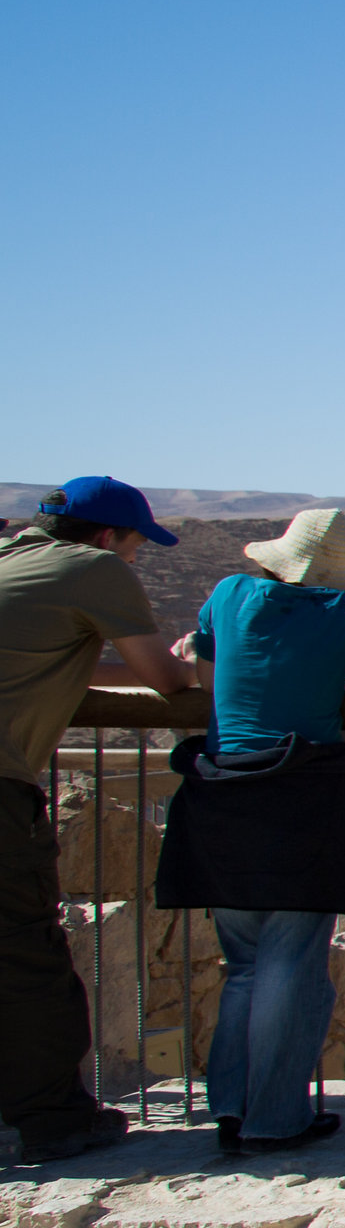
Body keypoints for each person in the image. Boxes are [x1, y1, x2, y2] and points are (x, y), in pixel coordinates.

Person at [162, 510, 345, 1157]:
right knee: (290, 962)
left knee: (246, 965)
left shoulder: (227, 593)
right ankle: (275, 1119)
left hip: (221, 794)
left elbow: (201, 669)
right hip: (301, 799)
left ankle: (230, 1108)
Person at [2, 477, 194, 1163]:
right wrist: (190, 667)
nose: (138, 558)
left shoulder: (10, 561)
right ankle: (53, 1121)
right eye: (139, 543)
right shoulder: (95, 568)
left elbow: (52, 656)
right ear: (110, 535)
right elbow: (163, 682)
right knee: (25, 957)